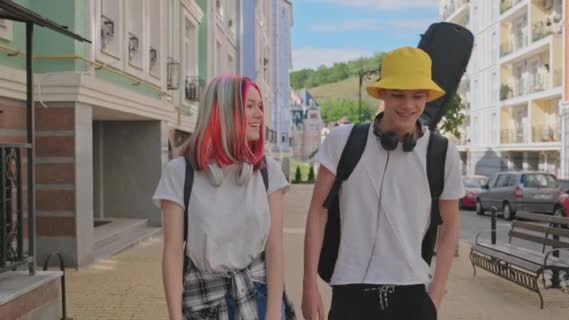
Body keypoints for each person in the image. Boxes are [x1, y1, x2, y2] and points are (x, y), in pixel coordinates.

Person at [301, 47, 465, 320]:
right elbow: (318, 212)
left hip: (413, 294)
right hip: (349, 289)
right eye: (398, 94)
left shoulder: (443, 153)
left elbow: (450, 226)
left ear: (427, 98)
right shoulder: (342, 141)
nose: (408, 105)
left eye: (417, 96)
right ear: (382, 94)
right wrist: (309, 286)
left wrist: (435, 294)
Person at [153, 75, 294, 320]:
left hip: (259, 298)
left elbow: (274, 249)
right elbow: (173, 252)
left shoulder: (268, 172)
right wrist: (175, 317)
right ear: (223, 111)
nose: (260, 114)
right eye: (249, 106)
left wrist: (273, 314)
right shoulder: (180, 173)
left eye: (260, 106)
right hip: (203, 301)